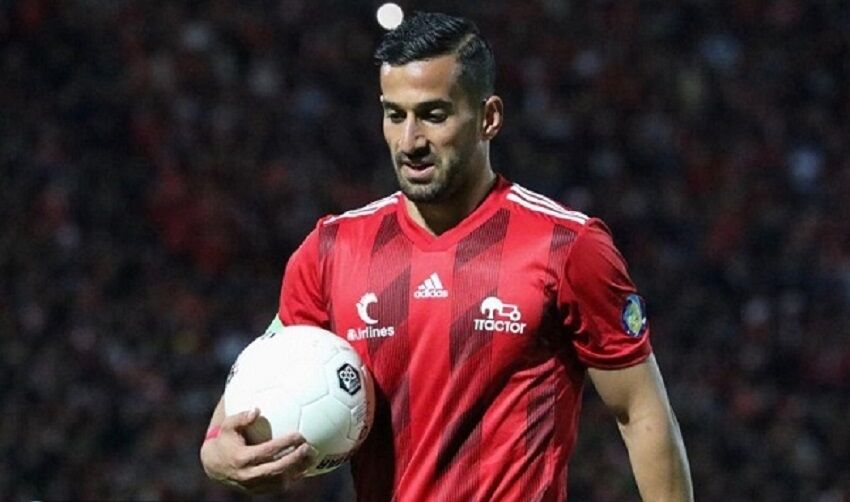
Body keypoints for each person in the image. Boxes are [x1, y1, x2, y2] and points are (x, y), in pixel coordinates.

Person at [200, 11, 693, 501]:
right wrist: (216, 448)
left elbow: (641, 412)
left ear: (488, 117)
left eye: (433, 115)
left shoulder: (567, 246)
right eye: (396, 115)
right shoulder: (332, 249)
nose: (410, 141)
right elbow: (267, 366)